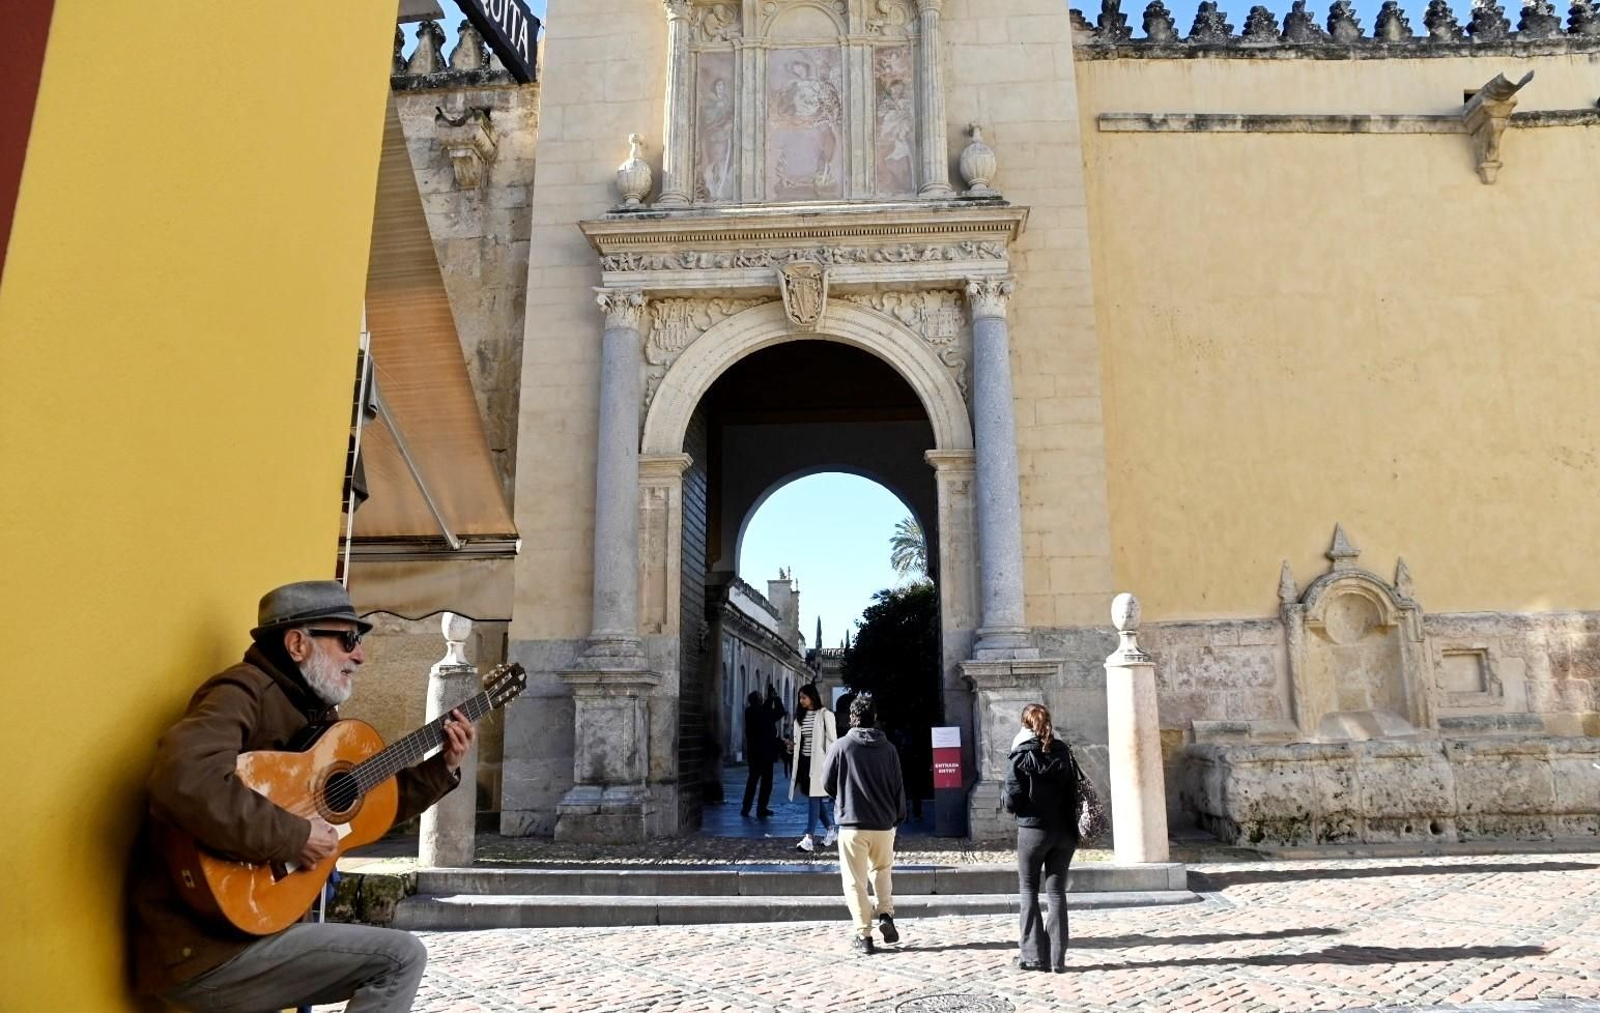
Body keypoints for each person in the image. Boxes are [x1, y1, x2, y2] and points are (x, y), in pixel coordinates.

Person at [129, 580, 475, 1012]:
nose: (360, 655)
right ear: (297, 644)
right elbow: (185, 778)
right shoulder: (242, 692)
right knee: (399, 958)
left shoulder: (313, 714)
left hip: (251, 930)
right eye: (348, 639)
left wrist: (441, 768)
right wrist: (294, 837)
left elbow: (370, 807)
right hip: (206, 945)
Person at [823, 693, 906, 955]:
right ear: (875, 718)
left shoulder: (841, 746)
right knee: (882, 871)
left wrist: (844, 797)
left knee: (855, 880)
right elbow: (897, 787)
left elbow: (827, 782)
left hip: (853, 824)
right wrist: (898, 817)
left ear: (852, 718)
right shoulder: (889, 749)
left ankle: (864, 934)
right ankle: (885, 913)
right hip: (883, 824)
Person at [1002, 703, 1080, 973]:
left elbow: (1012, 801)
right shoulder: (1065, 753)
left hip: (1033, 832)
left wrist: (1007, 798)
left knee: (1028, 891)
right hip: (1065, 832)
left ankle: (1033, 957)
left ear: (1025, 724)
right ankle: (1058, 959)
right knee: (1056, 893)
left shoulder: (1019, 756)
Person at [787, 682, 837, 852]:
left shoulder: (825, 715)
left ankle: (809, 837)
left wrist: (831, 765)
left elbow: (833, 741)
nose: (801, 701)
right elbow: (799, 742)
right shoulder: (799, 717)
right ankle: (831, 830)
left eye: (804, 697)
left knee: (814, 798)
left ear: (812, 697)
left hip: (819, 764)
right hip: (803, 763)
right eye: (800, 698)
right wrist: (791, 746)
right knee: (814, 799)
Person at [740, 690, 777, 818]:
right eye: (761, 697)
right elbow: (761, 714)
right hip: (758, 753)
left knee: (765, 782)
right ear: (756, 700)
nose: (762, 698)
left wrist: (772, 699)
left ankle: (761, 808)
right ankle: (747, 808)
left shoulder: (758, 711)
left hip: (764, 752)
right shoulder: (751, 712)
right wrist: (770, 700)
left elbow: (777, 712)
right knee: (754, 781)